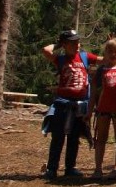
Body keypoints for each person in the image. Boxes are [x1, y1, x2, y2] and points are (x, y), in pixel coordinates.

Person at [41, 30, 100, 179]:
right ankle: (52, 168)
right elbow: (46, 50)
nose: (77, 45)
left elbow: (103, 60)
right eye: (73, 43)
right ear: (65, 44)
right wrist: (58, 44)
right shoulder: (60, 59)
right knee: (58, 136)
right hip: (63, 103)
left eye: (78, 42)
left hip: (79, 104)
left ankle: (70, 168)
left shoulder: (85, 57)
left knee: (74, 137)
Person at [88, 38, 116, 180]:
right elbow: (93, 91)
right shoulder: (100, 71)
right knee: (101, 139)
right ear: (105, 52)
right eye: (110, 51)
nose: (113, 54)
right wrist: (89, 111)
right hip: (103, 109)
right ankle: (98, 169)